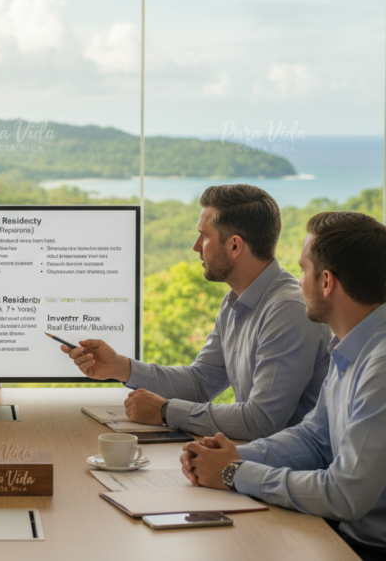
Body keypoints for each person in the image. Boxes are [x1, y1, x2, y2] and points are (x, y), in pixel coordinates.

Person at [180, 211, 386, 561]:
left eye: (303, 270)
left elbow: (344, 495)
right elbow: (314, 438)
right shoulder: (352, 346)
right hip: (358, 537)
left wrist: (234, 472)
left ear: (326, 282)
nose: (297, 282)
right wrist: (229, 457)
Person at [64, 184, 330, 440]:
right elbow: (201, 383)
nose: (195, 246)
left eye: (204, 236)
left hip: (294, 473)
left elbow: (261, 420)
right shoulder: (234, 302)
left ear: (235, 246)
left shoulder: (288, 310)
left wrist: (165, 411)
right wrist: (120, 367)